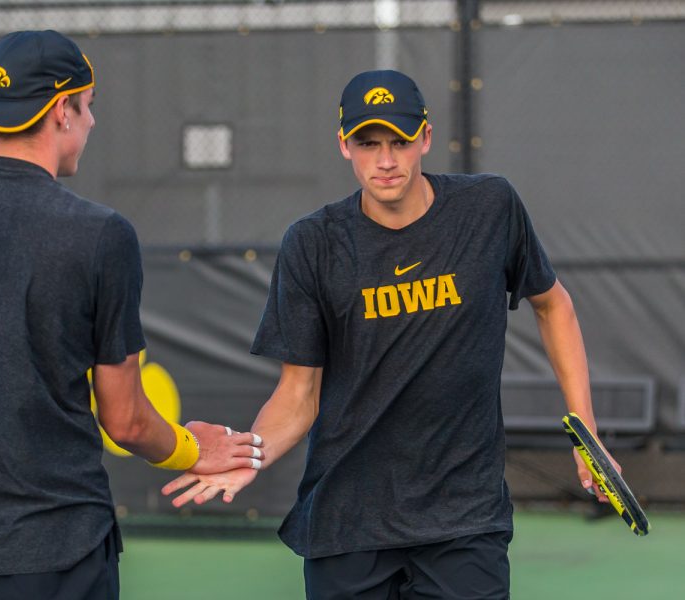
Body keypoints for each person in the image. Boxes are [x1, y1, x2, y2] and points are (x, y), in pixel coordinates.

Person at [163, 69, 618, 599]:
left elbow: (553, 305)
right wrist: (251, 455)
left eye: (400, 141)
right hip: (348, 523)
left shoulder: (491, 208)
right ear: (344, 146)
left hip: (464, 521)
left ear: (426, 137)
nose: (385, 160)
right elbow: (298, 393)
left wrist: (585, 432)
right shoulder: (313, 244)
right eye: (367, 142)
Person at [0, 30, 262, 600]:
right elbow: (127, 420)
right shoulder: (101, 234)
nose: (91, 123)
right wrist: (196, 449)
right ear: (62, 109)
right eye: (89, 107)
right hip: (55, 557)